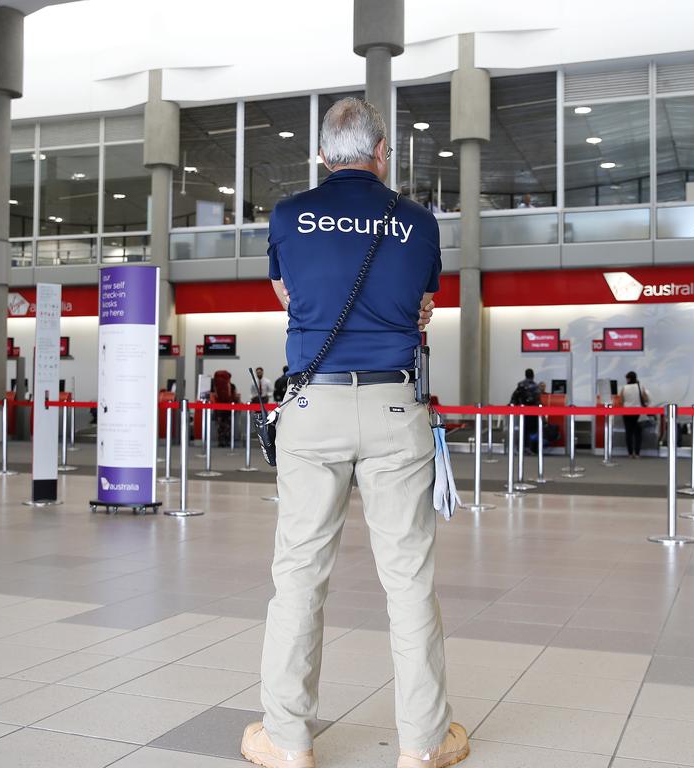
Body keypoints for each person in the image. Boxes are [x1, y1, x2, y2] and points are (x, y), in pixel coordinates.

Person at [241, 97, 466, 768]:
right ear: (382, 152)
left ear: (321, 153)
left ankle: (286, 740)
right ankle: (423, 744)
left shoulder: (288, 216)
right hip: (398, 409)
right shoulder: (418, 222)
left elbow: (288, 297)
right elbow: (425, 308)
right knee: (409, 579)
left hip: (313, 406)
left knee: (300, 575)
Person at [618, 371, 650, 458]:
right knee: (638, 433)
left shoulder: (624, 388)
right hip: (638, 412)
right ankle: (637, 453)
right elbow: (645, 399)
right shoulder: (640, 386)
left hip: (627, 412)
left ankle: (630, 453)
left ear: (628, 378)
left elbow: (620, 401)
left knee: (628, 433)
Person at [509, 368, 541, 452]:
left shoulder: (521, 384)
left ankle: (521, 447)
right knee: (533, 430)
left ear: (525, 375)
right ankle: (531, 448)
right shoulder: (536, 386)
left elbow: (515, 395)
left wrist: (512, 404)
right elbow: (537, 399)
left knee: (523, 428)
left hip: (522, 409)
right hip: (533, 410)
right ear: (533, 375)